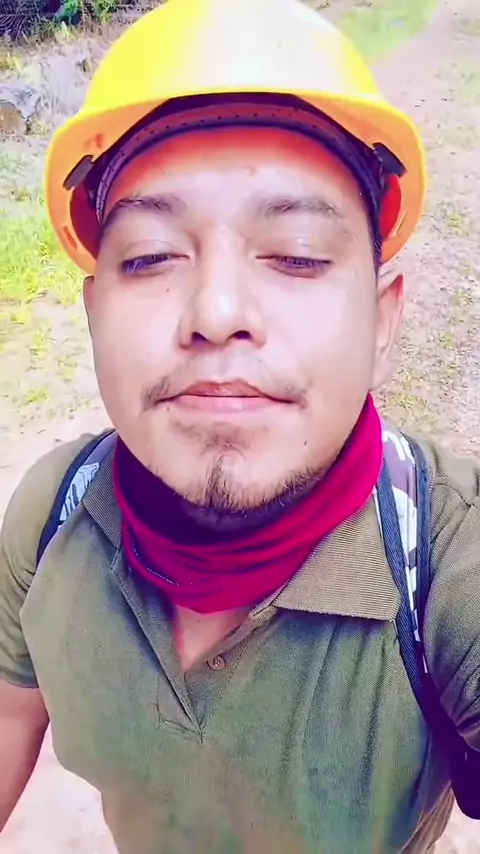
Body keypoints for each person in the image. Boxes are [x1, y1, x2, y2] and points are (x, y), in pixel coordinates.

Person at [0, 1, 479, 852]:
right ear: (94, 311)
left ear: (382, 320)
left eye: (297, 253)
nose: (217, 313)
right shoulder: (49, 517)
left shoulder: (446, 567)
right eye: (150, 256)